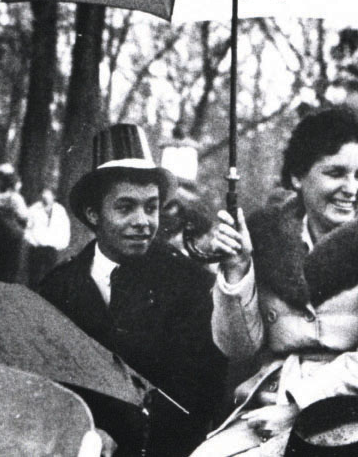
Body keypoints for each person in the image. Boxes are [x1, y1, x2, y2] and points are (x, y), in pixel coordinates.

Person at [191, 108, 358, 456]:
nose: (351, 189)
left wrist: (297, 407)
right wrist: (237, 268)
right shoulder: (267, 235)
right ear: (298, 177)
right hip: (268, 397)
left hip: (352, 405)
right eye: (335, 173)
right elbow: (238, 346)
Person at [38, 124, 226, 457]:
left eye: (151, 207)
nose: (143, 221)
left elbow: (199, 396)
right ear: (93, 214)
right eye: (125, 208)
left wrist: (126, 440)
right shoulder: (56, 289)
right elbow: (43, 387)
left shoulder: (190, 284)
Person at [25, 187, 70, 289]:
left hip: (51, 249)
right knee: (34, 276)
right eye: (43, 194)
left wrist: (61, 244)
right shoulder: (34, 209)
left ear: (54, 196)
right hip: (36, 248)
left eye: (48, 194)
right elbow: (27, 228)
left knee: (49, 275)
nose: (45, 196)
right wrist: (32, 241)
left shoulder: (60, 211)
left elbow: (65, 229)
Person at [0, 168, 28, 283]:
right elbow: (24, 216)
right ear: (15, 184)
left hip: (0, 235)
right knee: (12, 266)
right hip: (14, 236)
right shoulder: (17, 198)